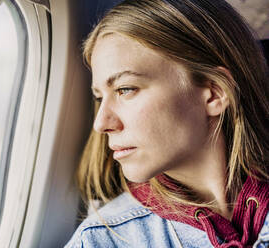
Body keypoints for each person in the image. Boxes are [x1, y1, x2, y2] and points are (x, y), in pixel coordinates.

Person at [65, 0, 269, 247]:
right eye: (99, 98)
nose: (101, 123)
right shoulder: (101, 241)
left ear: (214, 93)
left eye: (125, 89)